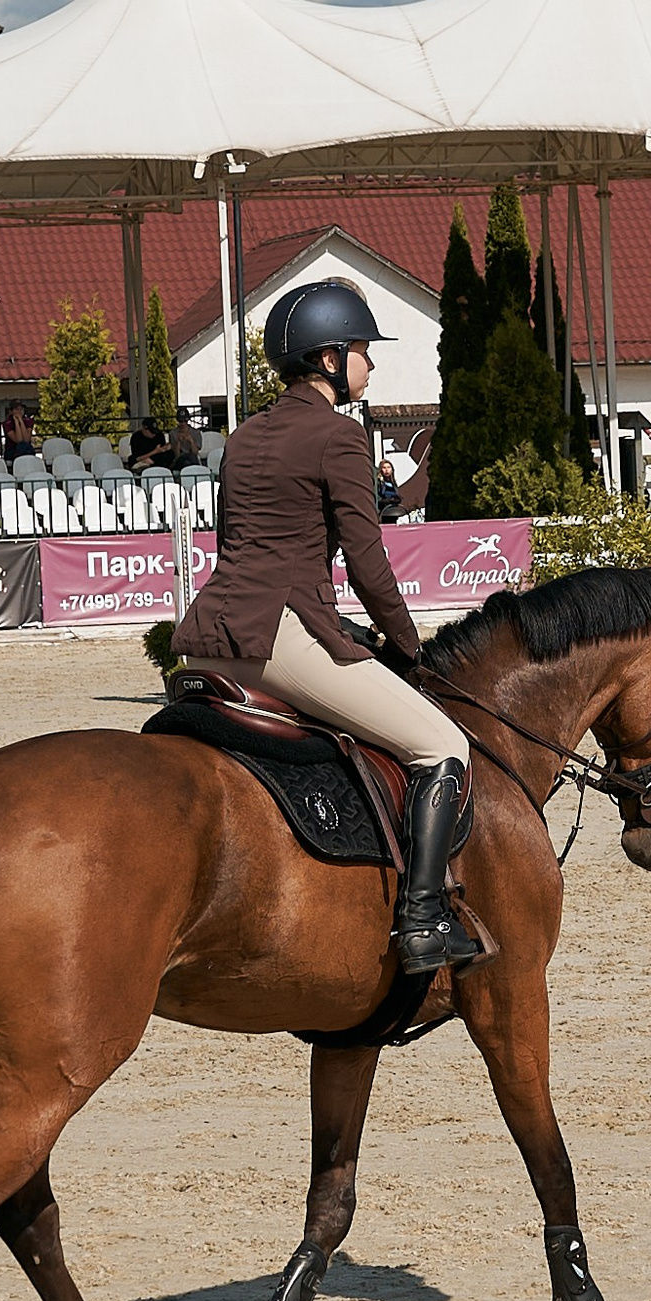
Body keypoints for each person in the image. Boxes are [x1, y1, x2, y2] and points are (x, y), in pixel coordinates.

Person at [173, 277, 481, 973]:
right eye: (365, 351)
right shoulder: (340, 437)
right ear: (330, 359)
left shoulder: (244, 437)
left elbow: (250, 549)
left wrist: (339, 630)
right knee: (440, 743)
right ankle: (424, 921)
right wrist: (410, 649)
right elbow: (369, 565)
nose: (373, 365)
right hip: (276, 635)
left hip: (208, 633)